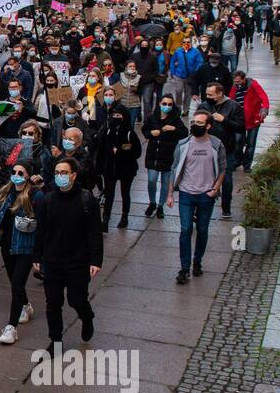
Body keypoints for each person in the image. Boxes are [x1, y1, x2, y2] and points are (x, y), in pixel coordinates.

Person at [31, 157, 103, 356]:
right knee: (53, 302)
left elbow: (94, 232)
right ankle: (55, 341)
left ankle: (86, 317)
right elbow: (41, 230)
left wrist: (96, 260)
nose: (60, 176)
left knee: (76, 299)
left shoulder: (87, 200)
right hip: (53, 261)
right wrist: (37, 255)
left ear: (73, 175)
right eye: (57, 173)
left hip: (78, 262)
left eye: (64, 172)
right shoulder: (48, 200)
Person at [166, 111, 226, 285]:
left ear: (208, 126)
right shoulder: (183, 144)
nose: (195, 125)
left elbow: (223, 168)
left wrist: (215, 189)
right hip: (186, 193)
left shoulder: (216, 144)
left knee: (202, 229)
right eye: (193, 122)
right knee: (185, 230)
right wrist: (170, 194)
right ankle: (184, 268)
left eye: (200, 123)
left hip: (206, 194)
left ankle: (197, 261)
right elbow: (174, 169)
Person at [0, 164, 37, 345]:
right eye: (13, 172)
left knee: (16, 283)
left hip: (25, 247)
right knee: (15, 281)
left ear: (28, 175)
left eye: (20, 173)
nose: (16, 175)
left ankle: (11, 327)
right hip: (7, 247)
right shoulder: (4, 193)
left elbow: (43, 224)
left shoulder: (35, 196)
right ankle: (26, 305)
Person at [196, 81, 245, 218]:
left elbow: (241, 127)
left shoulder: (233, 106)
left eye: (211, 94)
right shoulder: (204, 106)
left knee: (227, 180)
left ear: (220, 94)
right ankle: (199, 208)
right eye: (206, 94)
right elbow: (196, 123)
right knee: (202, 178)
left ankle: (226, 207)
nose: (207, 96)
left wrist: (224, 120)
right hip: (206, 147)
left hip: (226, 149)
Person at [93, 101, 142, 231]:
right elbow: (101, 149)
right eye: (114, 115)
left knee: (125, 193)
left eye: (118, 115)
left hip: (126, 170)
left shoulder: (130, 134)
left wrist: (121, 151)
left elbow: (137, 152)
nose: (115, 118)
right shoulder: (107, 131)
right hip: (109, 169)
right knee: (109, 194)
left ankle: (124, 215)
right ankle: (106, 219)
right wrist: (99, 168)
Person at [142, 95, 186, 219]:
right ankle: (152, 202)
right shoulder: (153, 118)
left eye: (169, 104)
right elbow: (145, 130)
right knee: (152, 180)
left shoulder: (176, 119)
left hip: (168, 156)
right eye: (164, 103)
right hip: (153, 155)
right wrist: (150, 133)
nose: (166, 106)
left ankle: (160, 205)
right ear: (160, 103)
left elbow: (184, 133)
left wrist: (174, 129)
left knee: (166, 184)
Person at [228, 69, 270, 172]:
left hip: (253, 118)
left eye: (238, 81)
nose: (236, 83)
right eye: (235, 81)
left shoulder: (253, 85)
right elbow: (230, 100)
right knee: (238, 142)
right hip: (239, 119)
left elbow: (263, 97)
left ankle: (247, 165)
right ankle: (237, 161)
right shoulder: (235, 87)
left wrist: (264, 109)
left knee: (251, 144)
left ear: (244, 79)